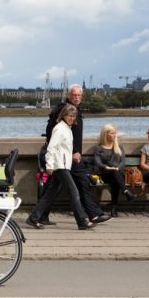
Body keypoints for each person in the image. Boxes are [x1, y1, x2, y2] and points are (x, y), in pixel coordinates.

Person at [43, 84, 110, 225]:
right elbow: (53, 133)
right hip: (67, 157)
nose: (76, 98)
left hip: (69, 156)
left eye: (79, 95)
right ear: (69, 96)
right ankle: (92, 215)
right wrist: (74, 152)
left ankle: (40, 216)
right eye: (74, 95)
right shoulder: (65, 110)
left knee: (53, 187)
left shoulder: (73, 110)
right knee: (81, 183)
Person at [27, 104, 96, 230]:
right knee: (74, 192)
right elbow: (51, 148)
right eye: (69, 115)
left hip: (63, 165)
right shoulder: (59, 129)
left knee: (50, 194)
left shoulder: (67, 129)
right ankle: (81, 221)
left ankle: (33, 217)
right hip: (60, 166)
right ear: (63, 115)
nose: (71, 118)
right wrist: (49, 165)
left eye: (74, 116)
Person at [93, 124, 134, 217]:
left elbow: (123, 161)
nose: (114, 135)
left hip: (117, 173)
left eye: (115, 133)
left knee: (116, 177)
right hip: (104, 174)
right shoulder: (99, 148)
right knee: (115, 177)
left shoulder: (119, 146)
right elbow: (97, 162)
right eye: (112, 133)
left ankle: (114, 207)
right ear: (105, 134)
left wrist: (118, 168)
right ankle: (116, 204)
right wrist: (106, 167)